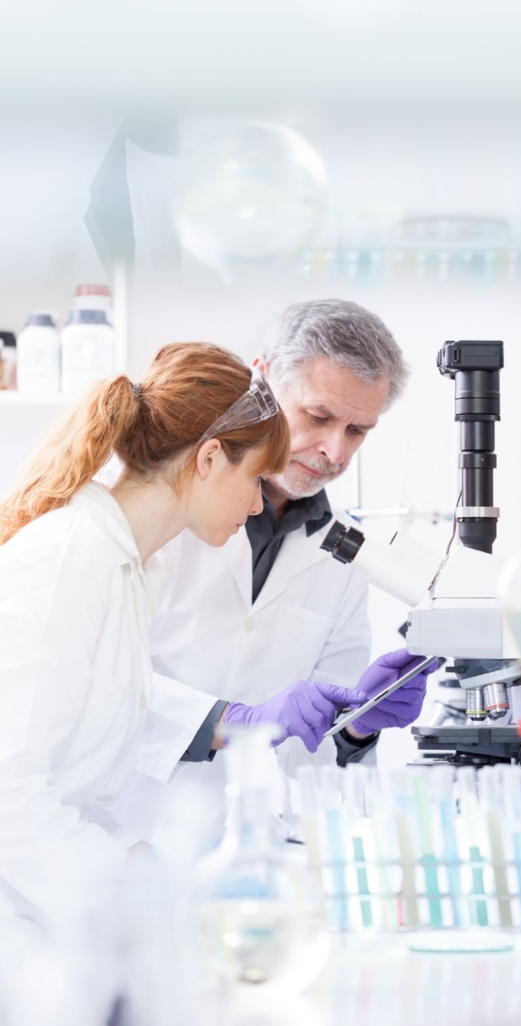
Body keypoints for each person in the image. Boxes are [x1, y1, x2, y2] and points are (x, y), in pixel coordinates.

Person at [0, 340, 410, 935]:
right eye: (253, 481)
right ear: (210, 458)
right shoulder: (70, 558)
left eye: (357, 429)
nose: (253, 506)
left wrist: (153, 870)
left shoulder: (133, 566)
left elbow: (83, 780)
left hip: (78, 906)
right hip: (29, 930)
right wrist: (144, 895)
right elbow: (11, 796)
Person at [112, 300, 430, 842]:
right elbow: (94, 688)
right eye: (319, 416)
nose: (334, 450)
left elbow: (316, 752)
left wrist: (356, 728)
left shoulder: (347, 555)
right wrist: (235, 720)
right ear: (261, 379)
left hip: (255, 855)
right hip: (123, 835)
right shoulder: (156, 505)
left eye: (358, 431)